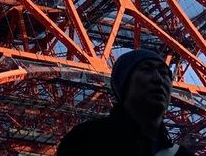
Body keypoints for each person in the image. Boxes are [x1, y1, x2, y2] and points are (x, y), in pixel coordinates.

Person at [56, 49, 193, 156]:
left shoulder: (181, 154)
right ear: (124, 84)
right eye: (146, 69)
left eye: (164, 73)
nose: (158, 79)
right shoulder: (86, 139)